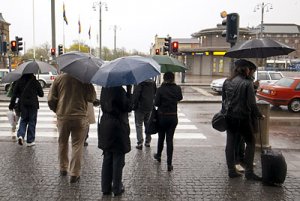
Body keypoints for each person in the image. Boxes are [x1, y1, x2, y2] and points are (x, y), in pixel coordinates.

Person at [47, 73, 96, 183]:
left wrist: (57, 109)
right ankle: (74, 173)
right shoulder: (85, 79)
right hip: (80, 116)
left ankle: (63, 168)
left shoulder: (59, 79)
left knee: (62, 142)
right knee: (77, 145)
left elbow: (50, 99)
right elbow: (92, 98)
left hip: (63, 116)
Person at [222, 59, 264, 180]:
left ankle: (231, 170)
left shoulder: (227, 82)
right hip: (242, 118)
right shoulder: (247, 83)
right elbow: (252, 104)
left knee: (230, 144)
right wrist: (259, 115)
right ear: (245, 70)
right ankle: (249, 172)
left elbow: (224, 101)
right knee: (251, 142)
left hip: (229, 117)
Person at [98, 85, 132, 197]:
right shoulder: (119, 90)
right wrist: (128, 91)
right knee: (118, 158)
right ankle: (117, 188)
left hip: (105, 124)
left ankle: (105, 187)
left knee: (107, 156)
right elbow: (128, 106)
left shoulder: (105, 88)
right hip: (117, 125)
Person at [153, 72, 183, 171]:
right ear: (173, 78)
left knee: (161, 138)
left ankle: (158, 156)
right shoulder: (177, 88)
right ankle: (169, 164)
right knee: (170, 140)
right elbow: (180, 98)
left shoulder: (160, 89)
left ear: (164, 78)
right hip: (173, 117)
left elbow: (156, 103)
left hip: (162, 117)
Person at [9, 73, 44, 146]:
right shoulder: (35, 81)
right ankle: (30, 141)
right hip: (33, 104)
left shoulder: (19, 81)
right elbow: (41, 94)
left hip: (23, 104)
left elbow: (14, 94)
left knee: (23, 120)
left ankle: (21, 135)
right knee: (32, 121)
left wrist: (11, 105)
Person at [132, 79, 156, 149]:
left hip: (140, 107)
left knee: (139, 125)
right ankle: (148, 141)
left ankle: (140, 143)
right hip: (149, 106)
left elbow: (136, 95)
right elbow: (155, 93)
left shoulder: (139, 82)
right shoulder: (153, 83)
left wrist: (133, 104)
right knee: (147, 124)